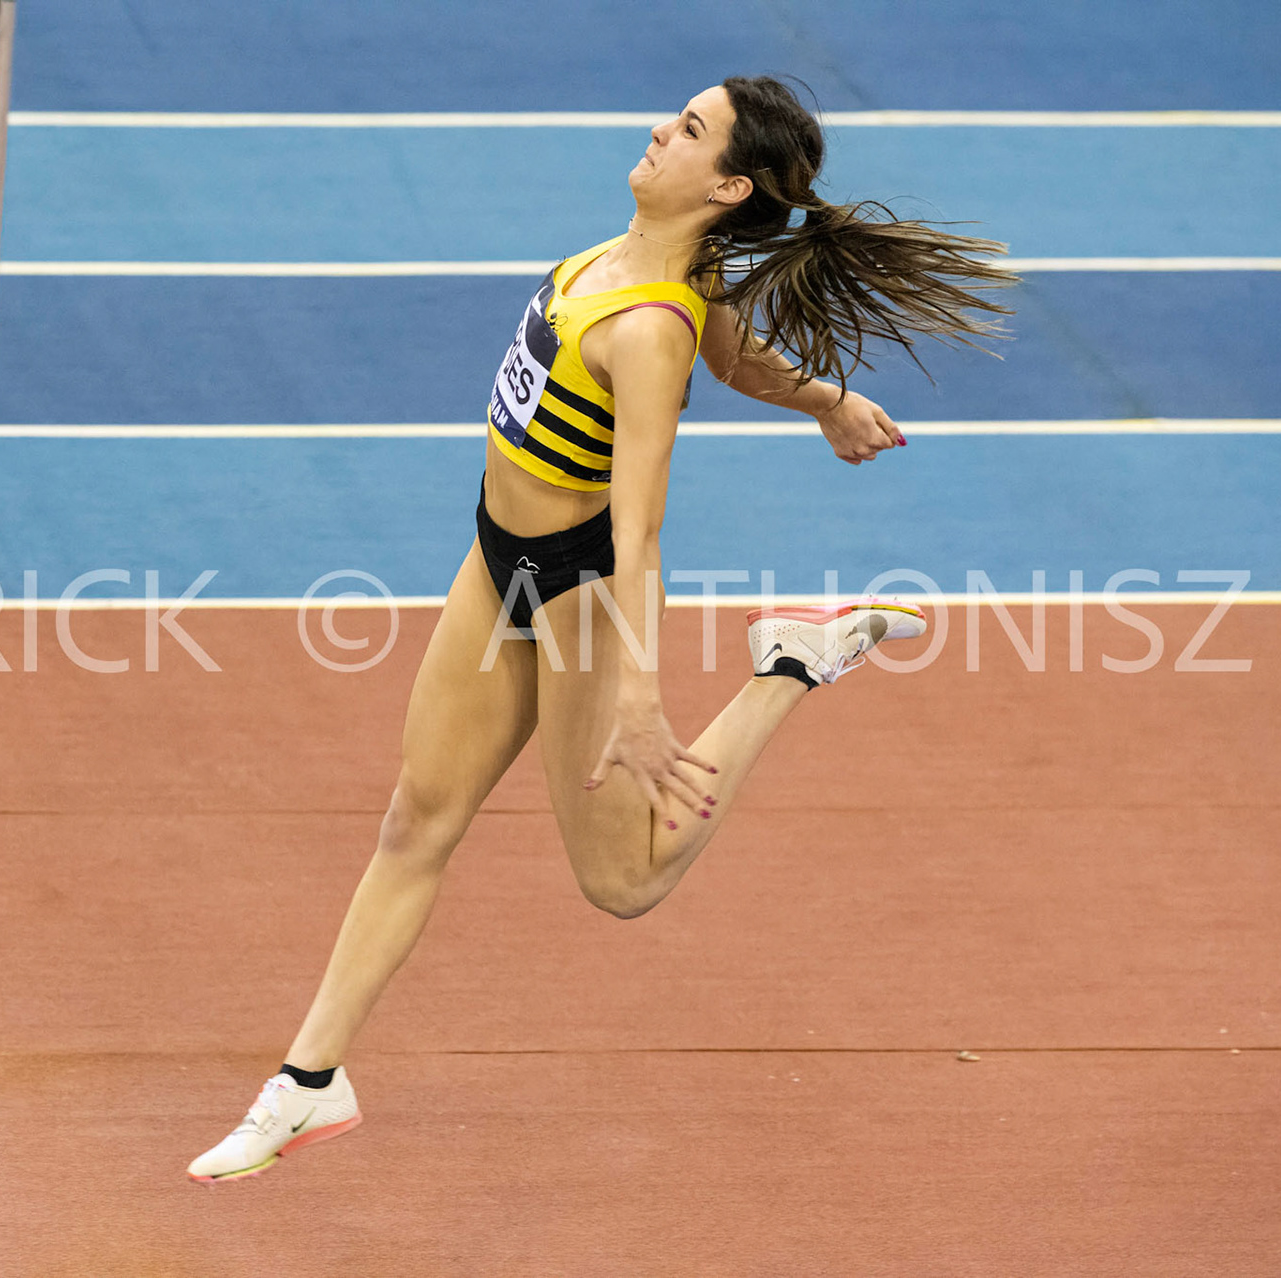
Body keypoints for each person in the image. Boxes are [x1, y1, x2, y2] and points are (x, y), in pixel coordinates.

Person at [188, 75, 1014, 1183]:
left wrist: (639, 694)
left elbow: (641, 527)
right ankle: (308, 1084)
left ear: (726, 185)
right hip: (497, 555)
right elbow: (739, 355)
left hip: (580, 590)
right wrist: (826, 401)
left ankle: (790, 662)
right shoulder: (628, 264)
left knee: (624, 883)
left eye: (689, 130)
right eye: (675, 115)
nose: (659, 130)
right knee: (415, 822)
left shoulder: (650, 328)